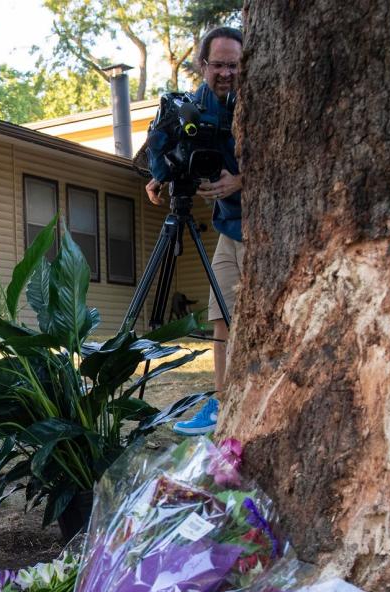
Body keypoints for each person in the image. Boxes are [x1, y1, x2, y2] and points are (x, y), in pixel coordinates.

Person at [146, 26, 244, 436]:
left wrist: (241, 180)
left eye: (233, 65)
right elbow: (162, 143)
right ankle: (221, 404)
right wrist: (161, 175)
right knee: (220, 317)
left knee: (247, 319)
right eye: (218, 64)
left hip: (257, 228)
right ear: (203, 64)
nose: (225, 73)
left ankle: (242, 402)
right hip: (226, 227)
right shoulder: (192, 107)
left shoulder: (253, 106)